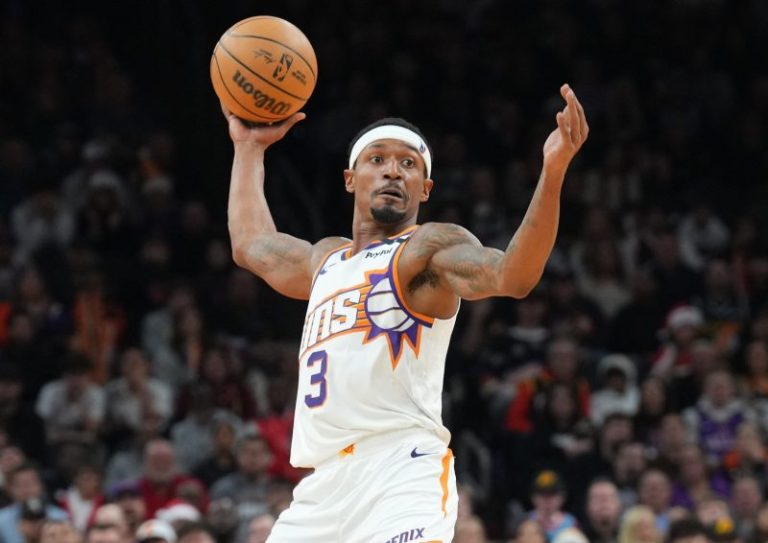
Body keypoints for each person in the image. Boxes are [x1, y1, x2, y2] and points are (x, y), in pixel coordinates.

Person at [222, 77, 589, 543]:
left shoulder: (428, 249)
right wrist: (249, 148)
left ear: (425, 188)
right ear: (350, 179)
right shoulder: (324, 260)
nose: (393, 172)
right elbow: (251, 244)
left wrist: (552, 172)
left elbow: (513, 276)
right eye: (377, 160)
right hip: (321, 488)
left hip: (400, 471)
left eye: (408, 164)